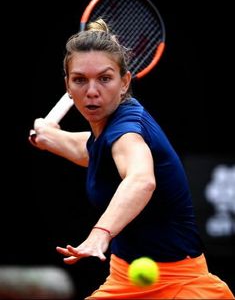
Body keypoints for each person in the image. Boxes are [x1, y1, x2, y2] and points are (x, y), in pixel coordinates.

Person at [29, 18, 235, 299]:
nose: (92, 91)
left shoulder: (128, 130)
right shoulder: (107, 129)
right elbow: (91, 149)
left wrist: (101, 234)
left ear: (124, 82)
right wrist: (51, 139)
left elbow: (140, 180)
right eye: (80, 80)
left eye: (104, 78)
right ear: (68, 85)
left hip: (182, 286)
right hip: (123, 280)